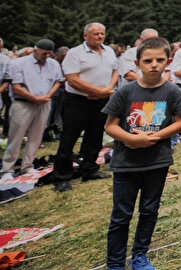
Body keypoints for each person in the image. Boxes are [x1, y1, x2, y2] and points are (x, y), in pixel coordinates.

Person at [102, 37, 181, 270]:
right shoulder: (125, 91)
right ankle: (115, 265)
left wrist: (156, 136)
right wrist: (134, 139)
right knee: (121, 215)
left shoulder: (172, 91)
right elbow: (111, 126)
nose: (154, 65)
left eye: (160, 60)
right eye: (148, 60)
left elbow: (180, 122)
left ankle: (140, 255)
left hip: (157, 162)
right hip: (126, 164)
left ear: (168, 62)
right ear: (137, 62)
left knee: (149, 210)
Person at [55, 22, 119, 192]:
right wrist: (97, 90)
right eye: (96, 34)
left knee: (95, 136)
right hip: (78, 100)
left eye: (102, 34)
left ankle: (89, 169)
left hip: (101, 100)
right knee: (69, 138)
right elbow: (72, 79)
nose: (100, 36)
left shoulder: (109, 51)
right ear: (85, 36)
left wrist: (107, 90)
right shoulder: (75, 53)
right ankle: (62, 177)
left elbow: (115, 72)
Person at [1, 39, 63, 178]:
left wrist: (48, 96)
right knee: (16, 136)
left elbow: (58, 82)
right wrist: (34, 98)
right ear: (35, 51)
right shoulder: (19, 63)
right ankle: (7, 169)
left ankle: (27, 166)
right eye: (43, 53)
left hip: (44, 102)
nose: (46, 56)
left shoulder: (53, 64)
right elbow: (16, 87)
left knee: (36, 135)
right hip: (23, 103)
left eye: (49, 54)